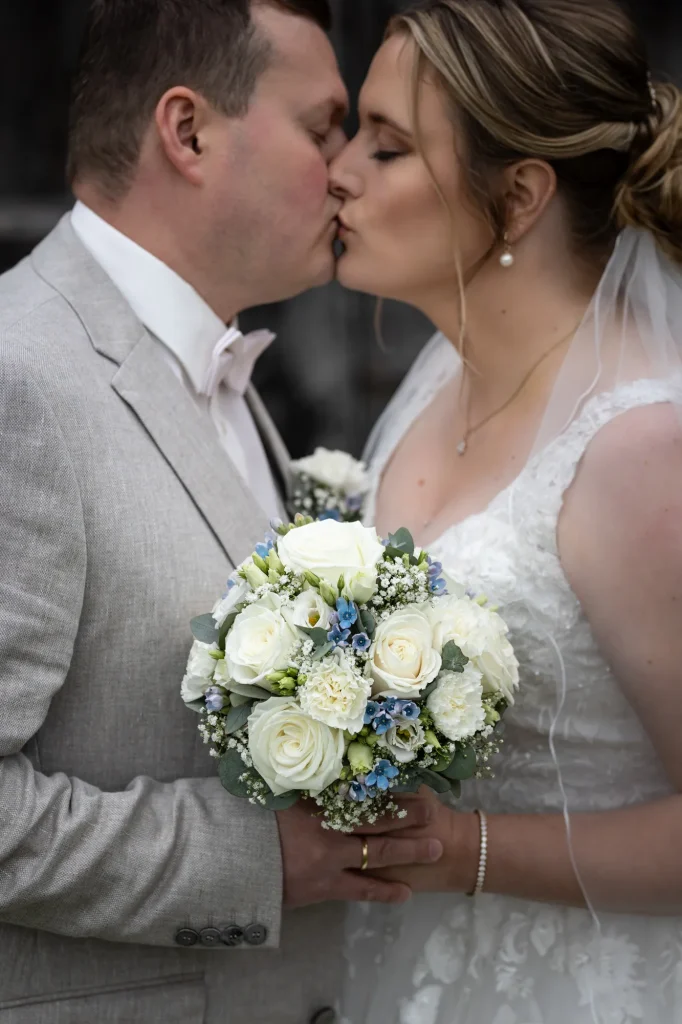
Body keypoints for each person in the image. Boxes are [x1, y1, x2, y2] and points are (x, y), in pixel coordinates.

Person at [0, 2, 444, 1022]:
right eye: (322, 126)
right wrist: (256, 859)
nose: (344, 169)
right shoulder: (21, 380)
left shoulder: (224, 373)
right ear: (188, 131)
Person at [329, 0, 682, 1021]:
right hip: (398, 974)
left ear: (520, 194)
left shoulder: (638, 449)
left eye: (387, 147)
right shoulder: (440, 379)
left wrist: (464, 847)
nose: (340, 172)